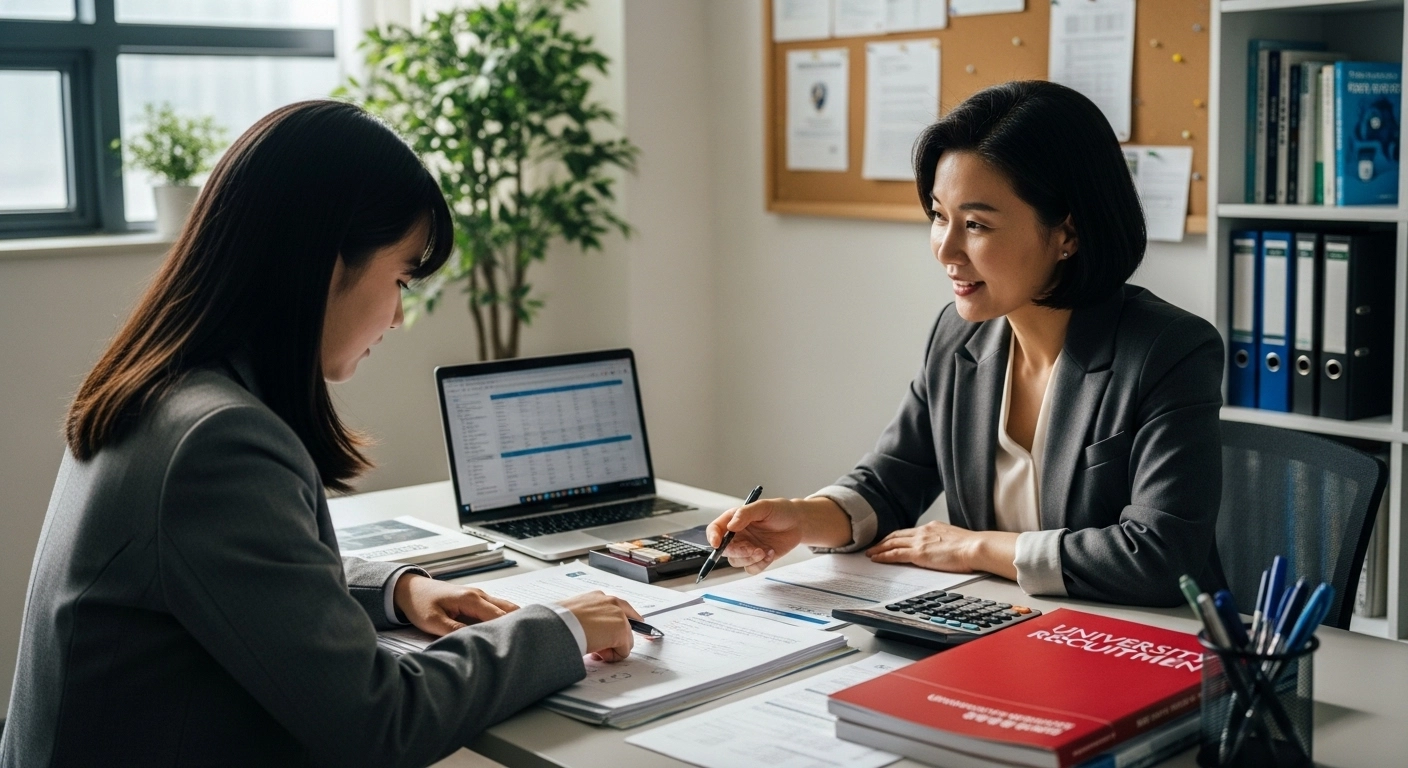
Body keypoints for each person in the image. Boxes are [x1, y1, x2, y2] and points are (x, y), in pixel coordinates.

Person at [0, 100, 642, 768]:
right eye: (399, 278)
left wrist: (399, 590)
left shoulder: (163, 392)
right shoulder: (217, 442)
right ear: (325, 263)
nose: (397, 316)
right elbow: (380, 722)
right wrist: (559, 629)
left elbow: (246, 573)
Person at [708, 81, 1226, 607]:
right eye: (939, 216)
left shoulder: (1168, 349)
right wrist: (801, 518)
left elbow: (1160, 555)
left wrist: (976, 546)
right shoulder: (959, 337)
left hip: (1141, 644)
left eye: (976, 223)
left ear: (1068, 233)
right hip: (1005, 626)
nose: (946, 249)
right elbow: (890, 483)